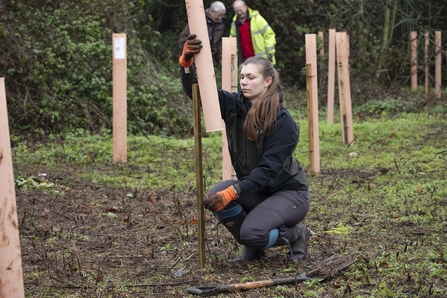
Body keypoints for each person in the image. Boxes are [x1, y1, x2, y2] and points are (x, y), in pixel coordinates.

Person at [178, 34, 310, 262]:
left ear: (267, 81)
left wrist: (233, 192)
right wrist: (187, 64)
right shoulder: (233, 106)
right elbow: (199, 95)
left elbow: (269, 171)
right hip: (256, 191)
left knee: (251, 230)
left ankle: (296, 234)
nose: (244, 82)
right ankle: (254, 248)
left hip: (288, 194)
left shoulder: (283, 121)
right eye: (242, 77)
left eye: (251, 77)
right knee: (216, 192)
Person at [179, 1, 226, 66]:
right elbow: (184, 37)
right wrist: (184, 55)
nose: (220, 18)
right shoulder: (199, 19)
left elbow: (218, 44)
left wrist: (220, 58)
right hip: (194, 56)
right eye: (219, 15)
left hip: (209, 58)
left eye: (222, 16)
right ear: (212, 11)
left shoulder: (219, 25)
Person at [230, 0, 276, 65]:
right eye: (237, 11)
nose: (239, 13)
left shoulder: (257, 19)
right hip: (244, 61)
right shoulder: (234, 24)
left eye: (240, 10)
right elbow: (232, 41)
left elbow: (269, 35)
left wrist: (270, 52)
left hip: (261, 60)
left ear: (245, 7)